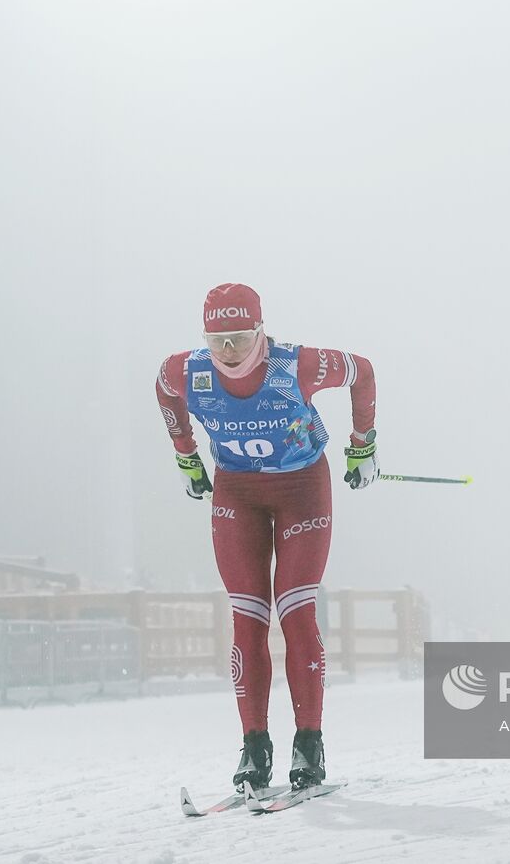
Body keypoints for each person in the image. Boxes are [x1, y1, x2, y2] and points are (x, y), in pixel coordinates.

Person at [155, 282, 378, 793]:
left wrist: (363, 444)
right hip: (237, 491)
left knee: (294, 608)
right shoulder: (185, 371)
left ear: (260, 330)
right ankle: (254, 747)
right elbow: (163, 390)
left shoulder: (297, 365)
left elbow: (361, 370)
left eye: (238, 337)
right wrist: (185, 454)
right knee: (247, 614)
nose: (228, 351)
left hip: (302, 486)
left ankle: (309, 742)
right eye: (216, 341)